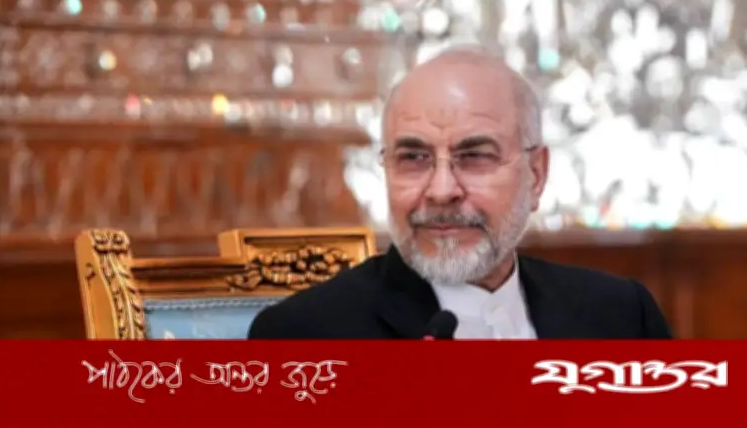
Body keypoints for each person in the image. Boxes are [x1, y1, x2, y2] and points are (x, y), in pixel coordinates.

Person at [248, 46, 672, 340]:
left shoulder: (620, 315)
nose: (442, 190)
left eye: (474, 157)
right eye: (414, 158)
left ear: (536, 175)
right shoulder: (304, 338)